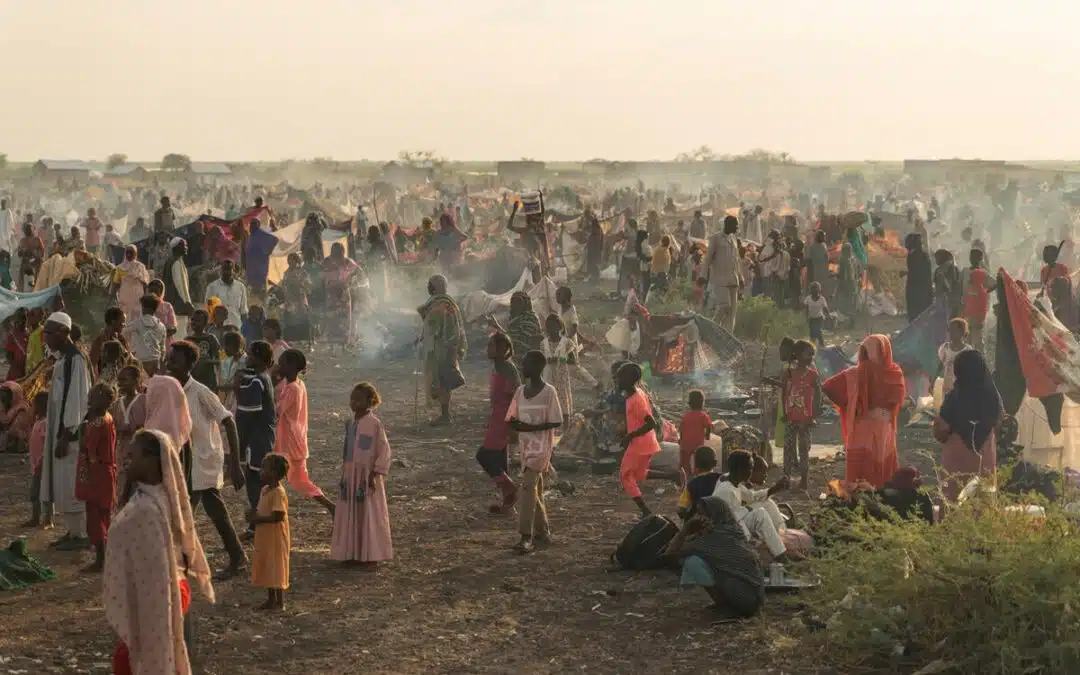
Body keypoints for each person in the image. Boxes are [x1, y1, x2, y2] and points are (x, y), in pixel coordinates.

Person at [104, 429, 214, 675]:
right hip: (171, 593)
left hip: (159, 599)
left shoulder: (147, 510)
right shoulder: (160, 499)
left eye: (133, 455)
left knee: (144, 659)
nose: (125, 459)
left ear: (153, 460)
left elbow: (156, 575)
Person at [165, 341, 248, 580]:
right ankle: (235, 557)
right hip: (184, 459)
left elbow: (228, 421)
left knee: (192, 511)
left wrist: (235, 462)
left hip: (203, 459)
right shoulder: (171, 390)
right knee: (205, 511)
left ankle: (233, 558)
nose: (170, 364)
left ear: (189, 365)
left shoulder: (200, 391)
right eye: (169, 360)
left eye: (175, 360)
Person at [823, 334, 906, 489]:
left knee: (858, 477)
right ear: (885, 351)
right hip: (883, 427)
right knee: (882, 476)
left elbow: (828, 387)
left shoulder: (854, 373)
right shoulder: (894, 372)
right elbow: (898, 399)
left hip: (860, 428)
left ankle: (858, 506)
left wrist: (852, 407)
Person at [665, 496, 765, 619]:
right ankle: (724, 603)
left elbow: (669, 554)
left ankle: (725, 606)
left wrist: (685, 530)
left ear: (713, 516)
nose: (699, 518)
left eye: (702, 514)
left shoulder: (711, 538)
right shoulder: (734, 530)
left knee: (692, 562)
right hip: (755, 600)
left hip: (742, 600)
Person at [42, 312, 92, 550]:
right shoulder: (63, 359)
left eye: (49, 333)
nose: (46, 338)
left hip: (69, 434)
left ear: (63, 332)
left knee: (72, 481)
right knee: (63, 481)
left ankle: (81, 534)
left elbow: (78, 400)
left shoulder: (76, 360)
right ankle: (72, 532)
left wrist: (67, 434)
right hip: (60, 431)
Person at [330, 381, 393, 565]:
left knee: (367, 513)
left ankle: (368, 553)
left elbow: (384, 450)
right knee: (350, 511)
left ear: (370, 401)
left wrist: (374, 474)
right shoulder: (350, 423)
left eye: (358, 400)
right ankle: (350, 552)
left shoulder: (374, 424)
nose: (354, 403)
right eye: (352, 399)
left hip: (366, 477)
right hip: (350, 474)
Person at [507, 350, 563, 553]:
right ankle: (543, 531)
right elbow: (511, 417)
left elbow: (557, 421)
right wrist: (517, 430)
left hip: (541, 447)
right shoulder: (520, 392)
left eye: (527, 364)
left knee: (527, 486)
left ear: (539, 367)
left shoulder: (549, 392)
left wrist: (530, 428)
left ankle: (525, 536)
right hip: (525, 447)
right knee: (534, 488)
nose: (523, 368)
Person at [934, 349, 1002, 501]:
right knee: (982, 502)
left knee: (953, 500)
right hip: (985, 452)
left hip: (957, 454)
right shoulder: (992, 395)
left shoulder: (955, 396)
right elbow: (999, 421)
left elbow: (942, 427)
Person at [274, 349, 334, 514]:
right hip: (292, 438)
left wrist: (272, 382)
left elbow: (277, 411)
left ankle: (330, 506)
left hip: (290, 441)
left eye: (282, 363)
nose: (279, 366)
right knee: (297, 479)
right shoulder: (297, 384)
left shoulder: (293, 388)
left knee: (297, 480)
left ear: (291, 366)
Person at [712, 450, 790, 561]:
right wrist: (751, 542)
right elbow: (729, 521)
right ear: (740, 470)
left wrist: (774, 489)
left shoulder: (735, 483)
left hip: (736, 523)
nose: (751, 472)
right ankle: (777, 554)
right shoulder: (726, 490)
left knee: (761, 511)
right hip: (726, 533)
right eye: (750, 468)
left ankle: (780, 550)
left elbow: (750, 497)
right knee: (759, 514)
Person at [476, 332, 521, 514]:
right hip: (497, 416)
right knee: (501, 459)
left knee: (484, 455)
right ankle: (508, 503)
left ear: (503, 349)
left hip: (505, 418)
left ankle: (509, 487)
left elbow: (516, 396)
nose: (488, 349)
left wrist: (512, 423)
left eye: (491, 346)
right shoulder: (498, 367)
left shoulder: (508, 369)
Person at [235, 340, 277, 532]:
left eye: (251, 355)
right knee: (256, 481)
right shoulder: (262, 378)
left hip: (256, 439)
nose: (247, 358)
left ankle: (256, 524)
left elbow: (247, 413)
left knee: (255, 482)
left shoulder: (257, 381)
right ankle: (257, 522)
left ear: (258, 358)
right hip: (262, 436)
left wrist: (237, 386)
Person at [76, 382, 117, 573]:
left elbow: (87, 448)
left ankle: (101, 559)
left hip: (96, 473)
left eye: (93, 398)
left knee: (96, 517)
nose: (89, 401)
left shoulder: (98, 423)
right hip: (104, 472)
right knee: (103, 515)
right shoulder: (107, 419)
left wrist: (83, 430)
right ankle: (104, 557)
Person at [417, 274, 467, 425]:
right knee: (443, 380)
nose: (428, 287)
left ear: (434, 287)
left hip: (440, 349)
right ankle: (445, 414)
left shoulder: (440, 305)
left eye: (430, 285)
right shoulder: (448, 303)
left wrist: (423, 340)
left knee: (441, 380)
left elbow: (433, 328)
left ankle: (445, 416)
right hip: (448, 348)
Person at [618, 362, 660, 517]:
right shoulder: (636, 393)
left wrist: (630, 435)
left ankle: (646, 511)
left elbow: (651, 423)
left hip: (640, 443)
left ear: (630, 379)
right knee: (639, 474)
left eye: (620, 378)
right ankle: (673, 475)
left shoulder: (637, 398)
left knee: (626, 475)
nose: (617, 381)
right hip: (645, 442)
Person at [249, 453, 290, 611]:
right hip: (266, 537)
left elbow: (278, 516)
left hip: (276, 538)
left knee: (276, 568)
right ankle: (271, 599)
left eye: (264, 468)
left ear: (273, 473)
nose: (260, 471)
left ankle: (279, 602)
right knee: (269, 567)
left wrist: (257, 519)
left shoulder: (278, 493)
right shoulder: (265, 490)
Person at [782, 340, 820, 489]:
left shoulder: (812, 375)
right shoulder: (788, 373)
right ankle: (786, 479)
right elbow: (784, 393)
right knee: (788, 449)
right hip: (791, 417)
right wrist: (785, 412)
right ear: (797, 354)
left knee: (804, 450)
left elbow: (818, 395)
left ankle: (803, 481)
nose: (811, 357)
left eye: (812, 354)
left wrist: (813, 416)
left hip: (806, 419)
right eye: (808, 354)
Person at [111, 365, 146, 495]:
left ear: (136, 381)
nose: (120, 384)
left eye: (124, 380)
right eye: (119, 380)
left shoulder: (143, 400)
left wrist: (135, 429)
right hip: (122, 453)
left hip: (139, 452)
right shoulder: (117, 404)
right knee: (123, 487)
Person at [705, 215, 743, 332]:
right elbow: (708, 259)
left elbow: (737, 259)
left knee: (732, 312)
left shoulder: (733, 239)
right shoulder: (716, 238)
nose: (737, 227)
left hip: (733, 278)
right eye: (735, 225)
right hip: (720, 278)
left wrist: (741, 276)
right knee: (724, 306)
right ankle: (711, 329)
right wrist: (703, 275)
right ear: (728, 225)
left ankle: (728, 336)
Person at [321, 242, 361, 347]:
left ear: (342, 250)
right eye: (333, 249)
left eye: (337, 249)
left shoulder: (347, 261)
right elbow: (321, 276)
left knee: (344, 318)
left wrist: (349, 283)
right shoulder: (326, 261)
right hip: (332, 294)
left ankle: (343, 343)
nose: (335, 251)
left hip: (343, 293)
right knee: (332, 318)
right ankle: (333, 344)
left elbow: (358, 272)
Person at [23, 392, 50, 527]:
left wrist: (41, 461)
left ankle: (40, 518)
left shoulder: (45, 423)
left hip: (41, 464)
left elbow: (46, 444)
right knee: (38, 492)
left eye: (33, 405)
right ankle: (38, 517)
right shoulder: (38, 422)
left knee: (39, 492)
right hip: (36, 464)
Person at [123, 295, 167, 375]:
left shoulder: (137, 323)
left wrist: (129, 349)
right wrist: (161, 360)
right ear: (155, 308)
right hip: (155, 362)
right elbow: (163, 348)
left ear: (143, 307)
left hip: (141, 361)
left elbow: (123, 331)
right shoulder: (161, 326)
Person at [677, 445, 723, 520]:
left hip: (699, 524)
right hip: (719, 522)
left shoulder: (692, 484)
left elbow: (681, 510)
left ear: (695, 464)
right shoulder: (722, 479)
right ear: (715, 463)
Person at [678, 390, 713, 482]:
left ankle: (685, 477)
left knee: (685, 461)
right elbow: (709, 426)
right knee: (698, 460)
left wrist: (680, 441)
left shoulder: (686, 416)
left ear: (689, 404)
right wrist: (707, 436)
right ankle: (698, 475)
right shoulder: (703, 415)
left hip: (685, 444)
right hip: (698, 444)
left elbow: (681, 429)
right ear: (702, 403)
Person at [204, 260, 249, 328]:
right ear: (220, 270)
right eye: (224, 269)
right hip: (218, 328)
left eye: (229, 269)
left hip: (236, 327)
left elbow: (243, 311)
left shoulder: (241, 287)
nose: (226, 271)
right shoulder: (212, 287)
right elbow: (209, 309)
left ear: (233, 270)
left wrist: (245, 329)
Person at [163, 238, 193, 338]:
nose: (186, 248)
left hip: (173, 305)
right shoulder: (175, 262)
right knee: (179, 336)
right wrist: (187, 303)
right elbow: (180, 286)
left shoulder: (173, 261)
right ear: (176, 248)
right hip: (178, 306)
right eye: (184, 246)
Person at [280, 252, 312, 345]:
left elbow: (309, 287)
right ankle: (290, 342)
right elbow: (284, 286)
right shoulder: (286, 272)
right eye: (288, 260)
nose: (289, 262)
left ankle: (307, 342)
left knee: (304, 321)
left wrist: (299, 285)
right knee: (289, 321)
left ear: (296, 261)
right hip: (289, 301)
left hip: (301, 300)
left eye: (291, 259)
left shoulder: (302, 272)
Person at [186, 309, 221, 393]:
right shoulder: (188, 339)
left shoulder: (210, 339)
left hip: (208, 382)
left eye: (197, 320)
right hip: (192, 381)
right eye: (192, 320)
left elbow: (221, 359)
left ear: (205, 323)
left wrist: (207, 361)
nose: (193, 323)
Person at [89, 307, 129, 378]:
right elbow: (91, 366)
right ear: (113, 322)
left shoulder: (121, 339)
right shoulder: (99, 342)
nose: (124, 326)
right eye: (122, 324)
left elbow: (129, 362)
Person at [115, 246, 150, 320]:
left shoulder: (140, 267)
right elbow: (116, 284)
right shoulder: (119, 268)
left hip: (137, 298)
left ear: (136, 254)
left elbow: (145, 283)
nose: (129, 255)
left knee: (137, 318)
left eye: (131, 252)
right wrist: (114, 297)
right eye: (127, 252)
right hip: (125, 298)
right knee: (124, 318)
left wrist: (146, 298)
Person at [938, 318, 972, 396]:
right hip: (947, 387)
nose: (951, 333)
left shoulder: (968, 351)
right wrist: (933, 381)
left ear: (962, 332)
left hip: (962, 388)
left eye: (955, 330)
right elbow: (940, 366)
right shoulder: (945, 348)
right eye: (950, 330)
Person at [904, 233, 933, 323]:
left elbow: (917, 272)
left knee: (916, 316)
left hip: (917, 290)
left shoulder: (914, 256)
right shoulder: (922, 255)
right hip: (922, 289)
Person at [218, 332, 244, 410]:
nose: (224, 349)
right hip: (227, 399)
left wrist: (219, 387)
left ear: (234, 346)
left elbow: (236, 385)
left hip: (237, 400)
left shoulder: (244, 362)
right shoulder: (227, 358)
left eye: (226, 346)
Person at [148, 279, 178, 348]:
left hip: (165, 343)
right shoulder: (143, 306)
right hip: (148, 343)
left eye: (156, 292)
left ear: (161, 292)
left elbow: (173, 329)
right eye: (151, 291)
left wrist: (159, 335)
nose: (153, 294)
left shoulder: (167, 306)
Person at [934, 249, 963, 319]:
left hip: (948, 302)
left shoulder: (945, 270)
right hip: (949, 302)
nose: (935, 261)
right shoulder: (952, 268)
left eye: (937, 258)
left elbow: (949, 287)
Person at [17, 222, 44, 291]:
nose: (27, 230)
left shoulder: (37, 239)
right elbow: (19, 253)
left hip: (36, 262)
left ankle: (37, 286)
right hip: (26, 262)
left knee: (39, 268)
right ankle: (20, 291)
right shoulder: (22, 240)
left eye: (29, 228)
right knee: (21, 271)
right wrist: (23, 252)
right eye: (26, 229)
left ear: (33, 230)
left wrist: (34, 253)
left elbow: (42, 252)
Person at [4, 307, 29, 381]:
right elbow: (9, 355)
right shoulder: (12, 334)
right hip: (16, 372)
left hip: (28, 369)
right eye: (20, 317)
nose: (23, 320)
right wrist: (15, 368)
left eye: (25, 317)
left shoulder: (30, 332)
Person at [804, 281, 830, 347]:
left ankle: (822, 346)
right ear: (811, 290)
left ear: (819, 290)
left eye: (816, 288)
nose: (814, 290)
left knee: (818, 332)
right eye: (813, 288)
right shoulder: (808, 299)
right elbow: (806, 309)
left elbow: (825, 309)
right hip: (811, 318)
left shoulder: (822, 299)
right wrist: (806, 317)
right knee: (812, 334)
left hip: (819, 318)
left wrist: (829, 316)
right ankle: (812, 348)